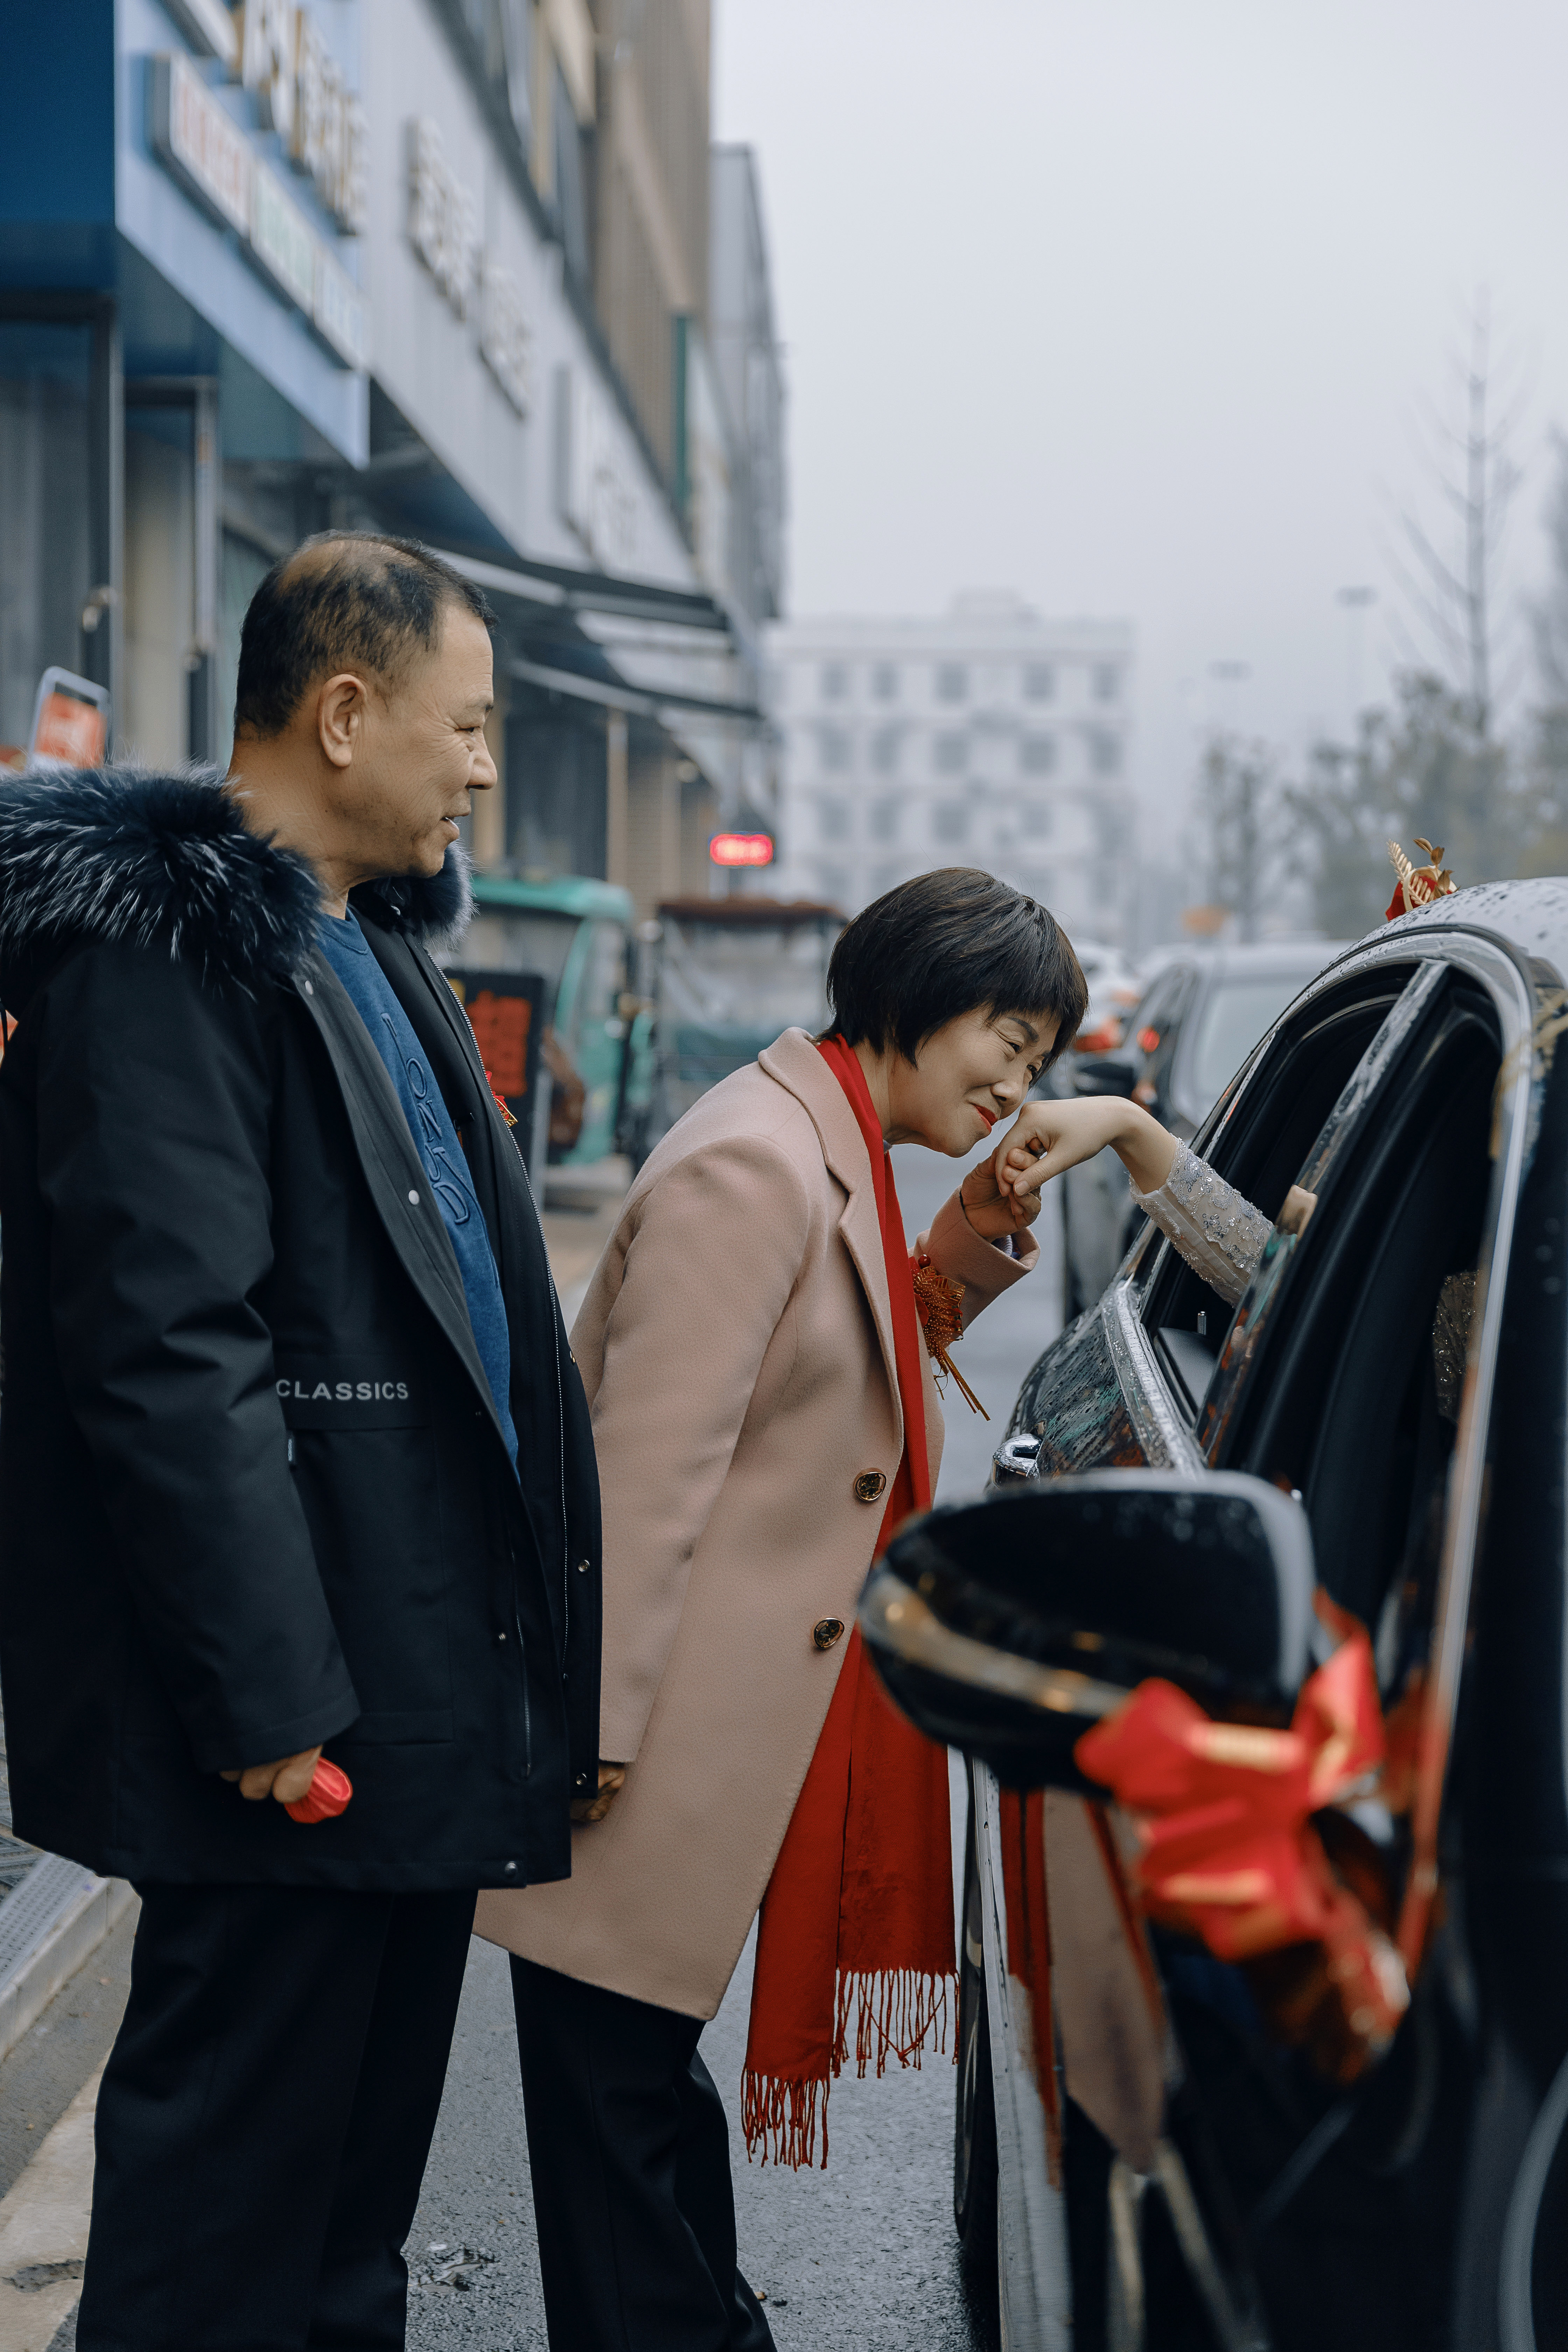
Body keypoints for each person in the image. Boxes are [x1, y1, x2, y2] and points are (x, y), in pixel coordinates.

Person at [0, 533, 601, 2351]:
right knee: (220, 2249)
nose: (482, 768)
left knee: (344, 2238)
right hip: (294, 1731)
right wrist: (268, 1704)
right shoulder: (163, 955)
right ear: (344, 714)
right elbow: (170, 1351)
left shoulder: (373, 942)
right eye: (466, 725)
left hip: (403, 1684)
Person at [476, 868, 1089, 2352]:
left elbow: (844, 1355)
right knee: (615, 2110)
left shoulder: (827, 1143)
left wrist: (971, 1235)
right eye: (1007, 1040)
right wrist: (597, 1729)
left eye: (1038, 1059)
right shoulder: (758, 1165)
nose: (1017, 1084)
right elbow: (647, 1472)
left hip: (690, 1724)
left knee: (629, 2097)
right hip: (644, 1724)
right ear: (917, 997)